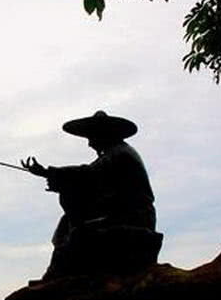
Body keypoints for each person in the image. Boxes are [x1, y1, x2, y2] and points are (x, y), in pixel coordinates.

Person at [22, 110, 160, 278]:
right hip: (121, 213)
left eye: (91, 137)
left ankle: (59, 277)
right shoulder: (114, 154)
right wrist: (61, 183)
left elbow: (87, 174)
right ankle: (57, 276)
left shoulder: (120, 154)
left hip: (133, 217)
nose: (89, 143)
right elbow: (91, 183)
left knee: (78, 234)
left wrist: (48, 172)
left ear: (104, 134)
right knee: (67, 225)